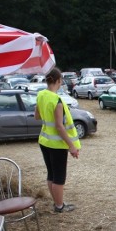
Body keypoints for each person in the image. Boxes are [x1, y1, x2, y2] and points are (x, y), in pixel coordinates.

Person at [34, 67, 80, 213]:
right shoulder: (57, 100)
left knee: (51, 174)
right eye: (61, 81)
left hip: (44, 141)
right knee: (59, 177)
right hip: (57, 145)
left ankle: (57, 202)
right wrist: (71, 146)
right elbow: (60, 127)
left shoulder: (41, 95)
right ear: (58, 80)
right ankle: (60, 206)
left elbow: (37, 116)